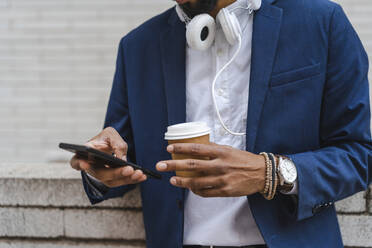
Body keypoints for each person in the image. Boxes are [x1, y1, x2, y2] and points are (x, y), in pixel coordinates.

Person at [69, 0, 372, 247]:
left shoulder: (322, 22)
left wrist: (269, 172)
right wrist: (101, 171)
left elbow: (360, 156)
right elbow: (122, 157)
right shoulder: (138, 46)